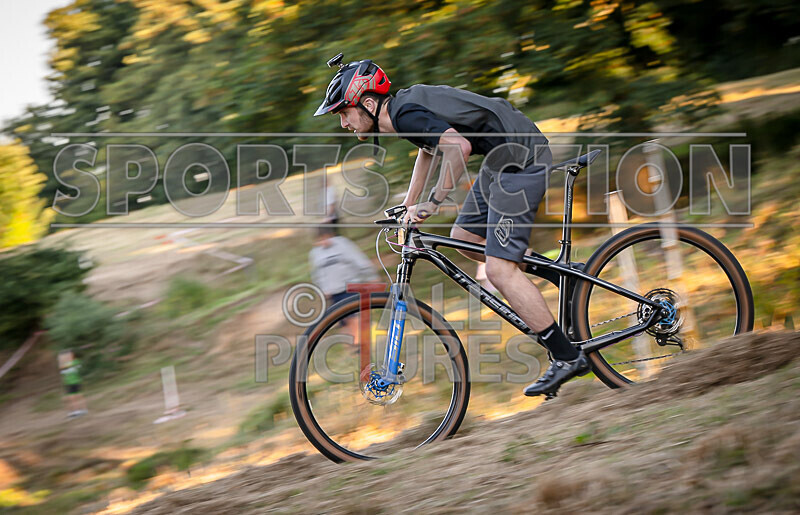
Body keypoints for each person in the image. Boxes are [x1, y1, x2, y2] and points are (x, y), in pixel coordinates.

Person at [314, 55, 589, 398]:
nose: (343, 123)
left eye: (343, 112)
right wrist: (409, 205)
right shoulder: (401, 114)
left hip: (521, 158)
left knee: (500, 270)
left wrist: (433, 202)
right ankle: (563, 275)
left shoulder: (404, 112)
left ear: (368, 103)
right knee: (464, 239)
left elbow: (458, 147)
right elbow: (430, 150)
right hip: (502, 158)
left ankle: (566, 356)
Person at [309, 224, 380, 331]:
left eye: (325, 238)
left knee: (353, 317)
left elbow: (359, 260)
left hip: (350, 287)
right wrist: (322, 290)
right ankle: (359, 341)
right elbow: (317, 274)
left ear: (330, 235)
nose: (323, 242)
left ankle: (364, 339)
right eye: (320, 240)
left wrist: (371, 276)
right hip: (334, 293)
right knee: (345, 321)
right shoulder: (315, 253)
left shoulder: (342, 244)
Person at [58, 350, 88, 418]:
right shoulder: (65, 364)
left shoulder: (75, 362)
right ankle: (76, 411)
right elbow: (63, 372)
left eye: (69, 355)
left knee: (78, 396)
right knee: (71, 397)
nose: (67, 356)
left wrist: (62, 362)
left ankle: (82, 410)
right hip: (68, 383)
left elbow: (68, 367)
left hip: (75, 382)